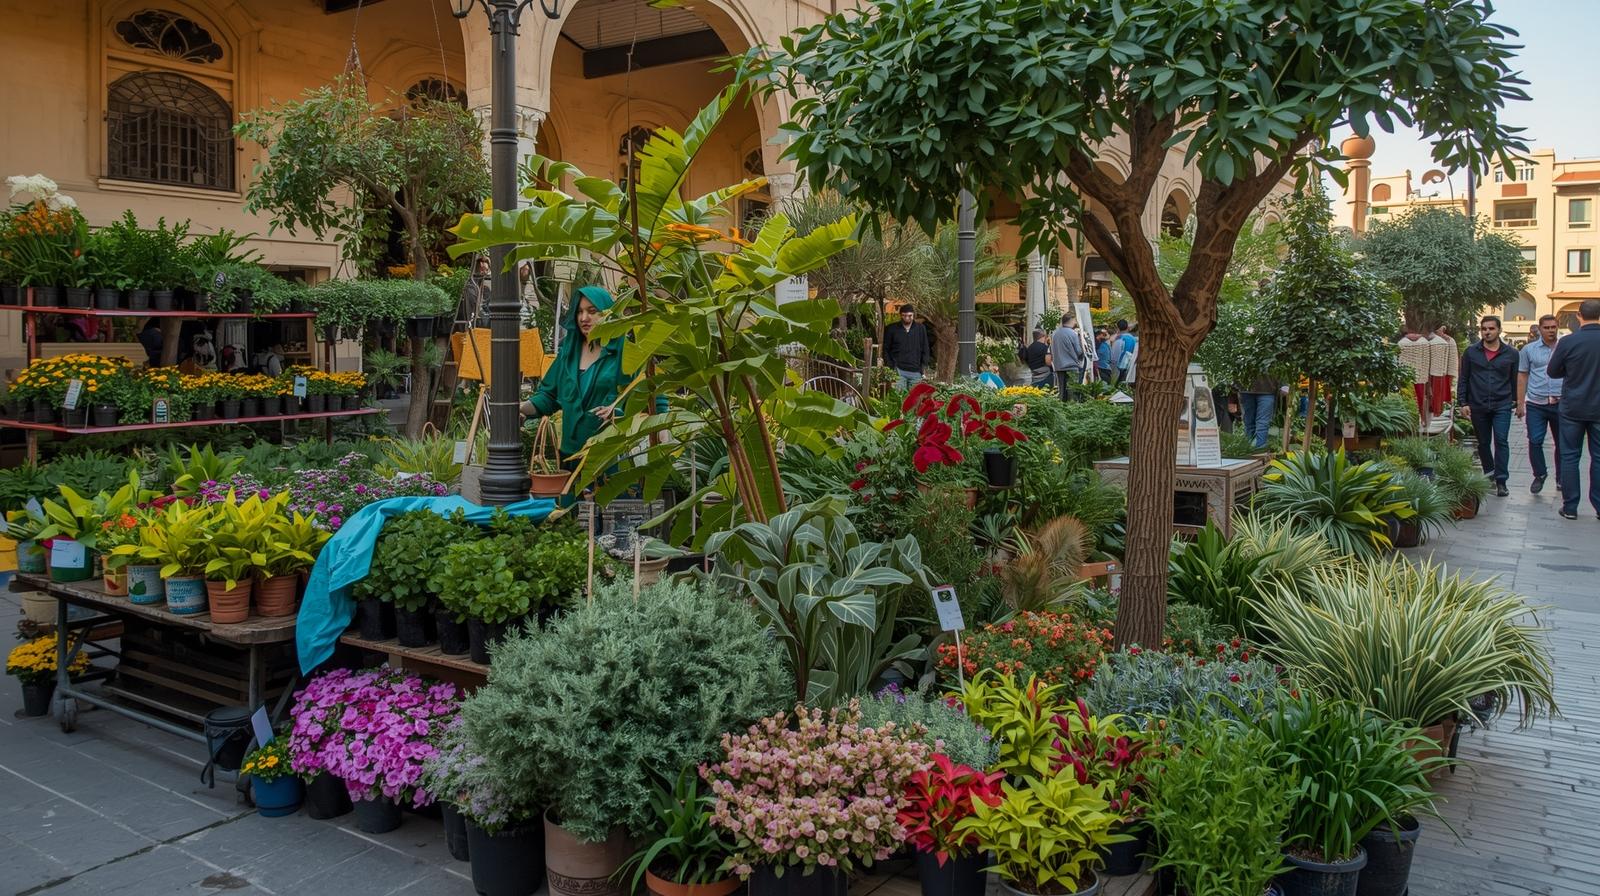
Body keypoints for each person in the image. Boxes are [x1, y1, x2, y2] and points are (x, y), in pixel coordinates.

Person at [518, 286, 643, 481]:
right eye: (579, 311)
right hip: (570, 456)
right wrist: (521, 408)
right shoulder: (569, 352)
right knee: (569, 510)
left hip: (610, 456)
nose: (584, 318)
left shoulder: (625, 351)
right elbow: (549, 396)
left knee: (610, 510)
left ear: (608, 314)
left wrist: (617, 412)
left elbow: (647, 397)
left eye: (592, 311)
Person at [1548, 299, 1600, 520]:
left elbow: (1553, 371)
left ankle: (1570, 506)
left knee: (1569, 456)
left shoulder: (1568, 342)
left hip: (1572, 406)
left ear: (1579, 316)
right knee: (1598, 458)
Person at [1458, 314, 1519, 497]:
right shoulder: (1471, 352)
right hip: (1478, 404)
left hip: (1502, 404)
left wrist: (1517, 400)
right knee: (1483, 443)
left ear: (1499, 330)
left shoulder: (1511, 354)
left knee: (1501, 441)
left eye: (1491, 328)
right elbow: (1464, 378)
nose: (1487, 332)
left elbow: (1515, 379)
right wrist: (1463, 402)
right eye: (1484, 329)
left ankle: (1501, 481)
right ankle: (1489, 473)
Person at [1515, 314, 1563, 495]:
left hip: (1560, 402)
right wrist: (1520, 403)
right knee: (1535, 440)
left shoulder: (1564, 348)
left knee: (1562, 443)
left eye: (1554, 327)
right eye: (1547, 327)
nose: (1551, 330)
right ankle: (1540, 474)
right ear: (1540, 329)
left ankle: (1561, 478)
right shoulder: (1529, 350)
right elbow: (1522, 375)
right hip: (1536, 402)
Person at [882, 304, 932, 391]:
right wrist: (891, 366)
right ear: (900, 315)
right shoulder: (891, 329)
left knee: (914, 400)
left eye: (910, 316)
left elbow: (925, 348)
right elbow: (886, 348)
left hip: (916, 371)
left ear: (913, 315)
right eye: (904, 315)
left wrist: (923, 366)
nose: (907, 318)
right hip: (898, 371)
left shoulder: (920, 328)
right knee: (898, 399)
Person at [1238, 373, 1283, 450]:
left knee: (1263, 423)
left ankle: (1260, 450)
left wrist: (1284, 384)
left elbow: (1282, 365)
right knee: (1249, 423)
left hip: (1268, 389)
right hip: (1246, 390)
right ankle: (1248, 450)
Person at [1049, 314, 1087, 401]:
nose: (1075, 322)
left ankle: (1062, 409)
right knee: (1072, 392)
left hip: (1059, 366)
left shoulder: (1055, 333)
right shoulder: (1073, 333)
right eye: (1075, 320)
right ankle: (1071, 411)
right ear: (1072, 320)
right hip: (1071, 366)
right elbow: (1079, 351)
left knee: (1062, 392)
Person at [1110, 319, 1137, 384]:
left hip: (1120, 367)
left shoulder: (1119, 339)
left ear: (1118, 328)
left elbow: (1114, 357)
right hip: (1131, 366)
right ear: (1127, 327)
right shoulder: (1133, 339)